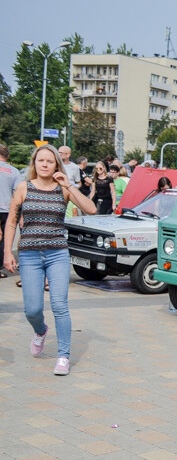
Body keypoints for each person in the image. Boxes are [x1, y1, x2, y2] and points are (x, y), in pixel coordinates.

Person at [3, 144, 98, 376]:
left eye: (50, 161)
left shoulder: (63, 189)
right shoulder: (24, 188)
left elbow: (91, 209)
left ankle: (63, 356)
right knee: (32, 309)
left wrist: (69, 186)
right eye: (40, 161)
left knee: (59, 305)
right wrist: (7, 252)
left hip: (57, 254)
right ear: (34, 164)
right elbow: (12, 222)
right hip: (29, 254)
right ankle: (41, 330)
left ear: (57, 164)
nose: (45, 164)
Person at [0, 144, 18, 278]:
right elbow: (17, 193)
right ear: (8, 156)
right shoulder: (14, 171)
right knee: (4, 239)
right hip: (7, 210)